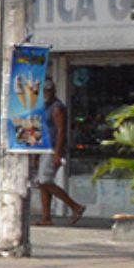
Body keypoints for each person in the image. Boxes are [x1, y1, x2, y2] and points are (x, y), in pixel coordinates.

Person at [36, 88, 87, 226]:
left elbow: (61, 131)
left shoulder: (57, 108)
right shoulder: (45, 107)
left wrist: (58, 152)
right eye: (44, 92)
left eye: (48, 91)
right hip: (45, 147)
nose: (45, 94)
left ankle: (75, 206)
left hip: (53, 148)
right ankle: (46, 217)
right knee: (42, 183)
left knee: (45, 181)